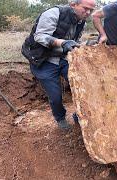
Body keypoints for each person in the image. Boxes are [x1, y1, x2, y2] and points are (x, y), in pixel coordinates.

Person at [21, 0, 96, 129]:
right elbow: (40, 36)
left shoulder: (81, 20)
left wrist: (83, 45)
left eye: (91, 10)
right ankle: (60, 118)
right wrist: (62, 43)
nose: (88, 13)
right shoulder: (54, 13)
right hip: (43, 60)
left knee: (84, 86)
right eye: (85, 8)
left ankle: (79, 116)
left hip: (63, 58)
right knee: (55, 96)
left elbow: (74, 41)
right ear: (73, 4)